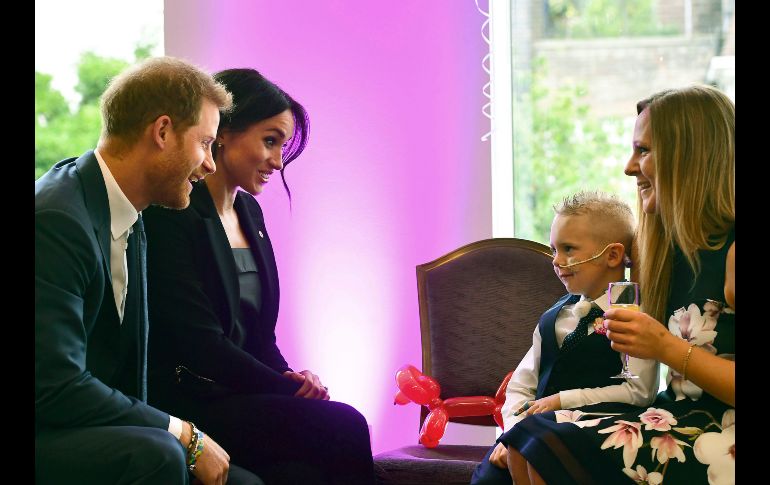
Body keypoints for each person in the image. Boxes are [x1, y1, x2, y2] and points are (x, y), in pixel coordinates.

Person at [36, 56, 263, 484]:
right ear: (162, 132)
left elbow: (126, 376)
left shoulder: (133, 214)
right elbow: (55, 385)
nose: (211, 164)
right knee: (159, 453)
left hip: (86, 428)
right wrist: (182, 433)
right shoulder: (56, 219)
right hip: (47, 428)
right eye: (204, 144)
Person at [143, 68, 376, 485]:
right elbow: (200, 344)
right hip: (190, 402)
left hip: (241, 396)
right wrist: (284, 391)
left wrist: (292, 380)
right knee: (346, 425)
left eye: (282, 146)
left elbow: (259, 336)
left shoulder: (251, 213)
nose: (278, 161)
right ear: (223, 132)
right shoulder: (171, 213)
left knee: (300, 475)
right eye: (269, 141)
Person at [500, 84, 735, 485]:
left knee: (544, 447)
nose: (629, 166)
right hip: (667, 417)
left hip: (720, 435)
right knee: (526, 440)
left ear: (689, 157)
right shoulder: (656, 251)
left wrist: (664, 346)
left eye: (643, 150)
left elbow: (660, 355)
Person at [470, 191, 658, 485]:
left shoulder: (637, 315)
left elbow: (640, 391)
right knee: (489, 480)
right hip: (531, 436)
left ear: (612, 255)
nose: (556, 260)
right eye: (553, 249)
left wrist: (563, 400)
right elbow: (521, 385)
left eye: (568, 249)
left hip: (592, 435)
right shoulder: (554, 317)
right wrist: (514, 435)